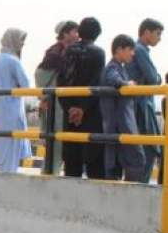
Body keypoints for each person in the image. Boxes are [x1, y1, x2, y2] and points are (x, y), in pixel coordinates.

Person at [58, 17, 106, 179]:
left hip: (70, 114)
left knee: (71, 163)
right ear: (97, 34)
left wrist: (70, 108)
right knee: (94, 163)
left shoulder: (68, 51)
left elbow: (61, 82)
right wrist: (82, 108)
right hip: (90, 113)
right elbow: (96, 84)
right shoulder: (98, 53)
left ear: (79, 32)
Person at [35, 21, 79, 175]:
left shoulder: (58, 51)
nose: (77, 35)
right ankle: (48, 178)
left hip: (59, 105)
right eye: (74, 31)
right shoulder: (56, 54)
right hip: (56, 106)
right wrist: (45, 96)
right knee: (56, 147)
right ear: (65, 33)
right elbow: (41, 75)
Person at [101, 35, 146, 182]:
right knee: (135, 160)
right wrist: (128, 84)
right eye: (130, 50)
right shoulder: (113, 67)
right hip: (120, 126)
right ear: (119, 49)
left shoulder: (119, 67)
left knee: (120, 165)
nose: (133, 54)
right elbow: (113, 79)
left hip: (120, 126)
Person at [127, 18, 163, 182]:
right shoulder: (140, 50)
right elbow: (153, 78)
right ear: (146, 32)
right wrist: (157, 77)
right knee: (148, 150)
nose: (159, 38)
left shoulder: (137, 49)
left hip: (136, 106)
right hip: (142, 107)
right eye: (157, 34)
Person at [0, 28, 32, 173]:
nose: (22, 44)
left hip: (2, 110)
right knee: (12, 149)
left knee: (3, 144)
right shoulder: (13, 61)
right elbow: (26, 85)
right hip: (13, 110)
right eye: (21, 40)